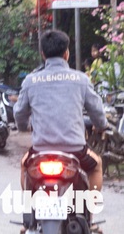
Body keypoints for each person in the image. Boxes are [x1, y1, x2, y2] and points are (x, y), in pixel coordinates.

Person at [13, 29, 108, 194]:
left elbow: (19, 113)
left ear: (43, 54)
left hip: (41, 150)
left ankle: (30, 211)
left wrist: (23, 126)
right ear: (66, 54)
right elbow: (97, 111)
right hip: (75, 150)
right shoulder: (81, 79)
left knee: (24, 165)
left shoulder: (30, 81)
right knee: (97, 165)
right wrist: (101, 125)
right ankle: (91, 214)